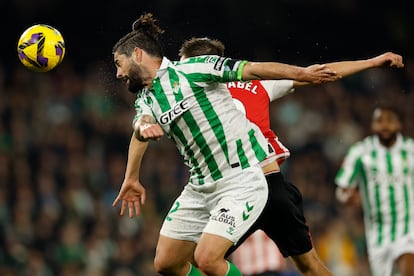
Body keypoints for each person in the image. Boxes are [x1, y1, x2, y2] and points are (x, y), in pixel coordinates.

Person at [111, 12, 340, 276]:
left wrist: (301, 73)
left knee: (207, 259)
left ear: (138, 54)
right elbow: (140, 123)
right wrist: (132, 176)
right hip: (200, 187)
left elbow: (252, 69)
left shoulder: (194, 69)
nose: (118, 73)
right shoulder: (146, 97)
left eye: (119, 63)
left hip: (240, 179)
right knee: (166, 263)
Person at [178, 36, 405, 276]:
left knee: (199, 262)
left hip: (237, 188)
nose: (181, 75)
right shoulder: (256, 81)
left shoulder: (190, 98)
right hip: (268, 183)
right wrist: (371, 63)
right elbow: (322, 73)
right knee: (310, 267)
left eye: (184, 67)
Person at [335, 105, 414, 276]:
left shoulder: (411, 150)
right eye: (379, 121)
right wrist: (346, 197)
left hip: (408, 228)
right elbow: (341, 190)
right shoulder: (360, 152)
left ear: (399, 124)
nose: (384, 125)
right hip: (377, 234)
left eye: (390, 121)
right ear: (372, 125)